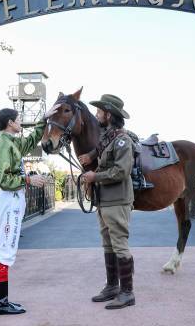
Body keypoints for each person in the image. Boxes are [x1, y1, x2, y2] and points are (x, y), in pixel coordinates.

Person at [0, 104, 59, 315]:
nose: (21, 122)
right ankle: (0, 302)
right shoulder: (4, 144)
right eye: (18, 119)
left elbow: (29, 141)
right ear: (10, 123)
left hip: (12, 199)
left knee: (2, 248)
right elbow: (0, 178)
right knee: (6, 250)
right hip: (10, 200)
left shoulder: (10, 141)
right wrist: (28, 179)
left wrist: (44, 119)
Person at [80, 94, 136, 310]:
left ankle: (127, 292)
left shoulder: (122, 140)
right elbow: (104, 160)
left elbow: (122, 171)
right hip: (104, 200)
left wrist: (95, 177)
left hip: (117, 199)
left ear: (108, 114)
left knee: (120, 244)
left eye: (99, 111)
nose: (96, 115)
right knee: (108, 244)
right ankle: (112, 286)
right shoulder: (108, 138)